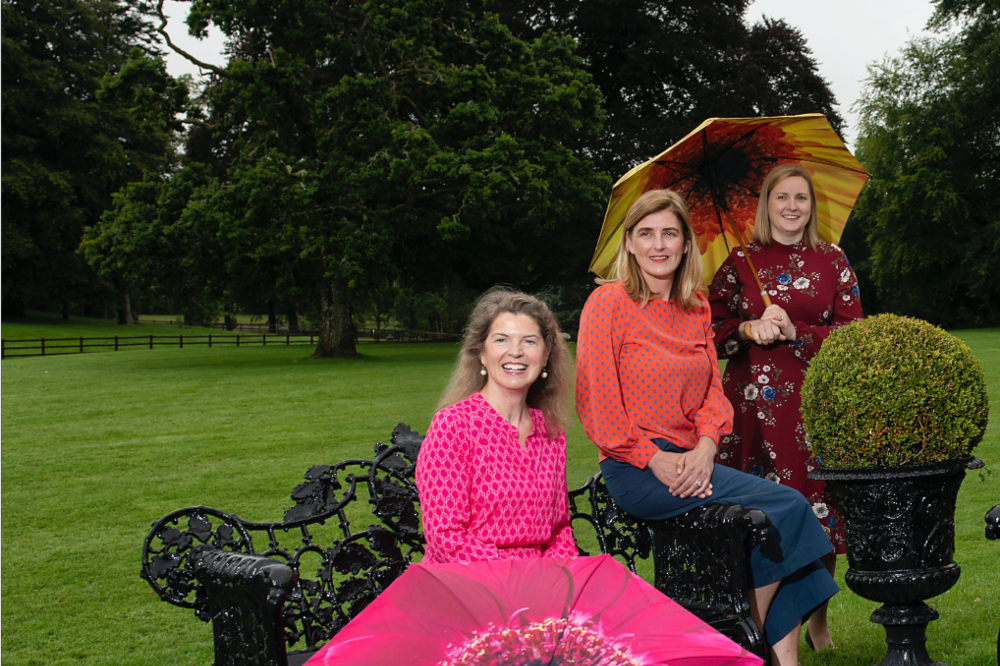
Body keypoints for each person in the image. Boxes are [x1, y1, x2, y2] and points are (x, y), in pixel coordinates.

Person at [575, 188, 837, 666]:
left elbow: (713, 395)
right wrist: (655, 459)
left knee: (780, 523)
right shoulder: (606, 304)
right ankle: (739, 641)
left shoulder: (696, 306)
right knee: (789, 506)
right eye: (646, 234)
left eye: (669, 234)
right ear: (629, 243)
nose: (659, 245)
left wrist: (705, 447)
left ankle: (777, 657)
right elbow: (598, 405)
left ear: (684, 245)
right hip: (635, 467)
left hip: (694, 458)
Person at [709, 163, 862, 651]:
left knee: (819, 513)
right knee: (762, 520)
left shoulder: (832, 259)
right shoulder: (739, 260)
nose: (792, 206)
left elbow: (853, 335)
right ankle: (767, 632)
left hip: (812, 405)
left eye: (801, 198)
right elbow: (708, 329)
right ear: (766, 204)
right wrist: (747, 328)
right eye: (783, 197)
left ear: (812, 206)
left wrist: (798, 333)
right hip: (751, 406)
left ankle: (818, 624)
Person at [415, 287, 577, 563]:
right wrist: (515, 580)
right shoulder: (453, 426)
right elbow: (446, 536)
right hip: (467, 584)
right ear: (481, 353)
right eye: (501, 340)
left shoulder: (551, 431)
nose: (515, 352)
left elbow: (559, 529)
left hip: (538, 586)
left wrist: (552, 578)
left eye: (529, 342)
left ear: (546, 354)